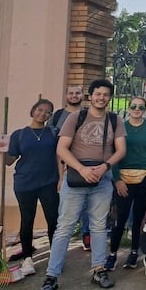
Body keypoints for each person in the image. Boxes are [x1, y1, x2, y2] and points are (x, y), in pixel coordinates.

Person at [38, 79, 126, 290]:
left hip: (102, 179)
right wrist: (80, 168)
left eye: (106, 95)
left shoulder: (115, 120)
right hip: (76, 176)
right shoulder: (76, 118)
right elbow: (61, 148)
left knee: (98, 227)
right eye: (97, 94)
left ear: (110, 98)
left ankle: (98, 269)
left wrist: (105, 166)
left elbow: (121, 150)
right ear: (91, 96)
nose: (101, 98)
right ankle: (52, 276)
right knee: (64, 227)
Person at [1, 99, 60, 277]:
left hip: (49, 182)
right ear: (32, 111)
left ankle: (55, 255)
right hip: (25, 183)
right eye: (40, 110)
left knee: (53, 220)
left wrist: (60, 178)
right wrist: (3, 147)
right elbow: (9, 161)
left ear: (50, 116)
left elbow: (59, 156)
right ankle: (27, 258)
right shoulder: (19, 135)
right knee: (27, 220)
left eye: (48, 112)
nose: (43, 114)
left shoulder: (53, 133)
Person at [105, 96, 146, 271]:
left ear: (145, 109)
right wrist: (117, 179)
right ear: (128, 108)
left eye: (141, 107)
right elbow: (113, 154)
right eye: (133, 106)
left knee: (139, 217)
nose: (137, 109)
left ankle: (133, 252)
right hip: (124, 176)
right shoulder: (120, 126)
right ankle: (113, 254)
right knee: (120, 218)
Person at [50, 85, 90, 252]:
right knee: (65, 210)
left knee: (88, 206)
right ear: (66, 95)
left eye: (77, 93)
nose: (74, 96)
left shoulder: (89, 114)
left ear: (83, 95)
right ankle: (60, 244)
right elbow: (56, 149)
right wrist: (60, 177)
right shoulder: (57, 116)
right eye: (71, 93)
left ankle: (86, 235)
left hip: (87, 166)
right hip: (66, 169)